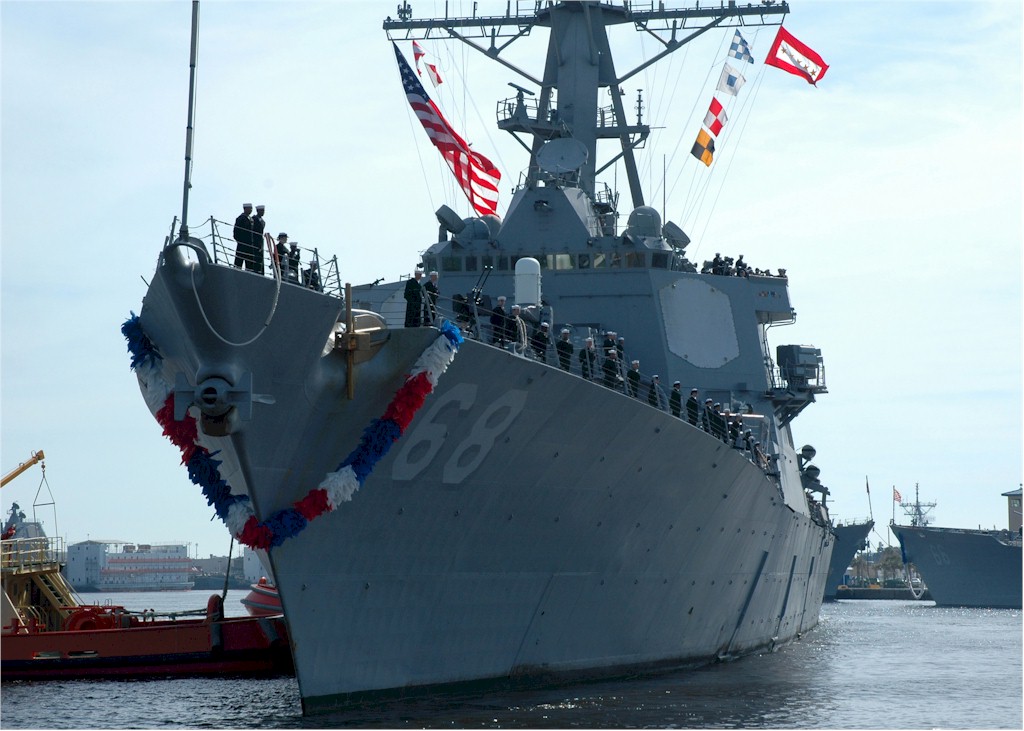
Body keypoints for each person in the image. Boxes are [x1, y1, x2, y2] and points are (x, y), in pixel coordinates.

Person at [233, 203, 255, 271]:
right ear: (245, 209)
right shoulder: (240, 218)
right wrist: (240, 241)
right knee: (238, 263)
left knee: (250, 264)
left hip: (250, 245)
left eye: (251, 208)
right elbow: (236, 232)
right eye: (249, 208)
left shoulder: (251, 219)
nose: (251, 210)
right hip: (242, 244)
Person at [250, 204, 267, 274]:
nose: (263, 212)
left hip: (260, 241)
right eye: (261, 210)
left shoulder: (263, 221)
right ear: (257, 211)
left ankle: (260, 271)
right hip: (255, 240)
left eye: (263, 211)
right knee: (255, 257)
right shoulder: (254, 219)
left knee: (260, 257)